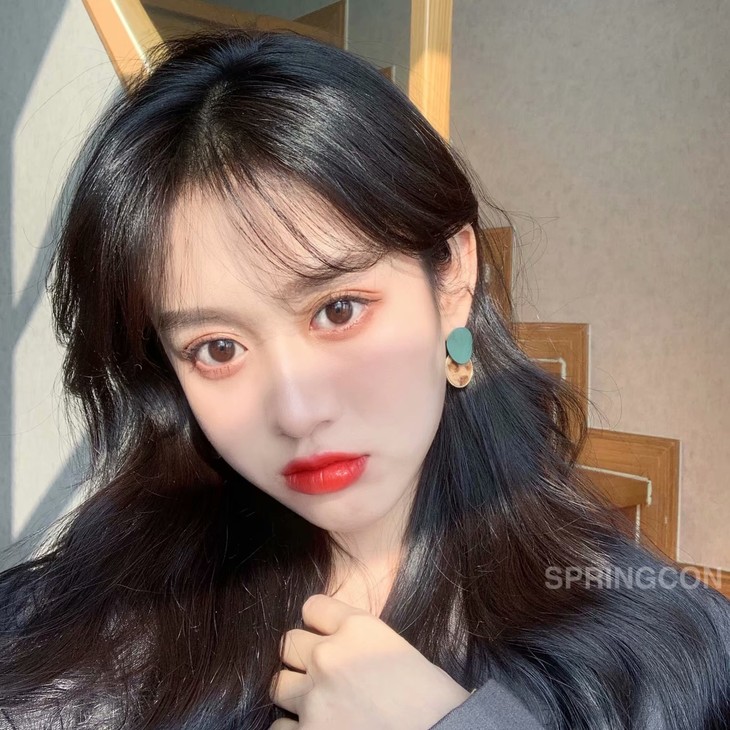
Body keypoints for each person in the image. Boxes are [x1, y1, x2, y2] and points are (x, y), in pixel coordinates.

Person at [0, 27, 728, 730]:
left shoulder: (669, 648)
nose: (296, 411)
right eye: (218, 348)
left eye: (338, 309)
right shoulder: (82, 635)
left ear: (452, 278)